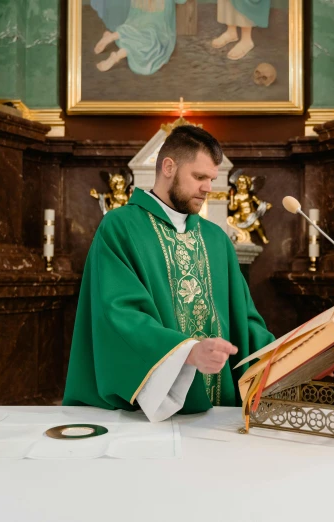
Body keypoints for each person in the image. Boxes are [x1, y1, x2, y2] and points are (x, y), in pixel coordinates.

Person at [63, 125, 275, 421]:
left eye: (211, 179)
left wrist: (295, 357)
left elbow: (245, 320)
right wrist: (187, 352)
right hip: (145, 416)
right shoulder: (120, 227)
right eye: (199, 177)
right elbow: (118, 315)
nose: (208, 188)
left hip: (217, 414)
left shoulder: (216, 239)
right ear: (168, 167)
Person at [94, 0, 186, 73]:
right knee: (154, 44)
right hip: (157, 24)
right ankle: (117, 55)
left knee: (139, 33)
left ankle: (114, 39)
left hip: (139, 19)